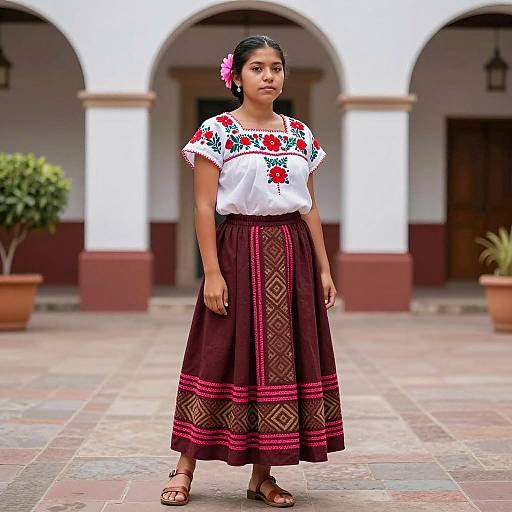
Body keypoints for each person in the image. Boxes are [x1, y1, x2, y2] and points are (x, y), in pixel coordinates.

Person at [160, 34, 345, 508]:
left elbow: (310, 208)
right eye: (258, 68)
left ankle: (263, 475)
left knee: (281, 361)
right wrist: (212, 273)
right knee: (217, 352)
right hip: (239, 249)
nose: (269, 76)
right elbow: (203, 208)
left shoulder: (300, 134)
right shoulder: (216, 132)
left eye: (276, 68)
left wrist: (324, 269)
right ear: (236, 77)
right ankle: (184, 465)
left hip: (293, 252)